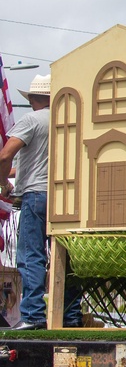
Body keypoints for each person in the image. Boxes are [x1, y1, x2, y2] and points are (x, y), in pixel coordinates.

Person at [0, 74, 82, 330]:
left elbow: (5, 156)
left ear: (34, 98)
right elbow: (36, 163)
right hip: (64, 195)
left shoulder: (32, 120)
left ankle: (34, 315)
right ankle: (71, 315)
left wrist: (4, 184)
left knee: (31, 256)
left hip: (35, 195)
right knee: (65, 257)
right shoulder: (68, 122)